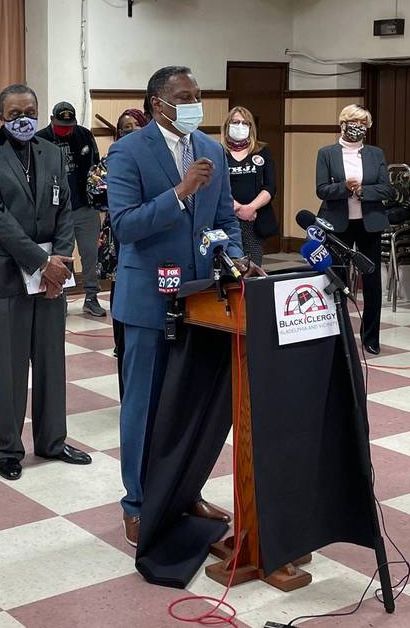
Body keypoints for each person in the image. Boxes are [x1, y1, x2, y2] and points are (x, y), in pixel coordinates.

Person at [107, 66, 255, 547]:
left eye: (198, 95)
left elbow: (224, 219)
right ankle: (137, 502)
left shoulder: (211, 149)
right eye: (184, 97)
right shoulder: (127, 151)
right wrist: (181, 191)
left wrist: (234, 259)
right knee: (144, 406)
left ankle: (183, 489)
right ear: (157, 104)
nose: (194, 104)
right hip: (148, 298)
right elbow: (126, 226)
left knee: (192, 406)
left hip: (203, 298)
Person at [0, 84, 92, 481]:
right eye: (15, 112)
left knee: (52, 362)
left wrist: (61, 260)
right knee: (8, 368)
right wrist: (43, 262)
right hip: (6, 275)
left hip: (52, 276)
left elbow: (66, 211)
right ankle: (9, 449)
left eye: (30, 111)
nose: (24, 118)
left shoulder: (51, 152)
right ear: (0, 116)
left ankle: (53, 441)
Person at [314, 104, 393, 355]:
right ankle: (338, 335)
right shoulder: (326, 153)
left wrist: (363, 191)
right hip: (337, 224)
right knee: (337, 279)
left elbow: (387, 189)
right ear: (342, 123)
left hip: (369, 223)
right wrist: (345, 188)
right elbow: (322, 189)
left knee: (371, 282)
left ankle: (371, 337)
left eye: (362, 122)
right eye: (352, 120)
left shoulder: (375, 154)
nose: (356, 126)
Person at [87, 108, 149, 389]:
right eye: (124, 127)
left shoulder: (153, 155)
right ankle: (119, 343)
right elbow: (94, 189)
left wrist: (124, 189)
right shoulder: (114, 156)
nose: (130, 130)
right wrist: (125, 190)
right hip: (117, 236)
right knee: (119, 291)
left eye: (136, 125)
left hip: (149, 235)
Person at [36, 102, 106, 316]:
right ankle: (60, 298)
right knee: (61, 256)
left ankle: (92, 297)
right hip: (55, 211)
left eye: (69, 125)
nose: (65, 129)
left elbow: (96, 168)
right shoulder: (40, 139)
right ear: (51, 119)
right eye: (61, 125)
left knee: (91, 254)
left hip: (84, 207)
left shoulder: (84, 135)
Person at [221, 106, 277, 267]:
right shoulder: (218, 152)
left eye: (245, 123)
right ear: (227, 126)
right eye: (236, 122)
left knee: (253, 267)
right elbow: (215, 187)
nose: (240, 126)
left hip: (255, 219)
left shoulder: (262, 151)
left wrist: (251, 208)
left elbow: (270, 186)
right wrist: (237, 208)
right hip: (228, 218)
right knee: (231, 266)